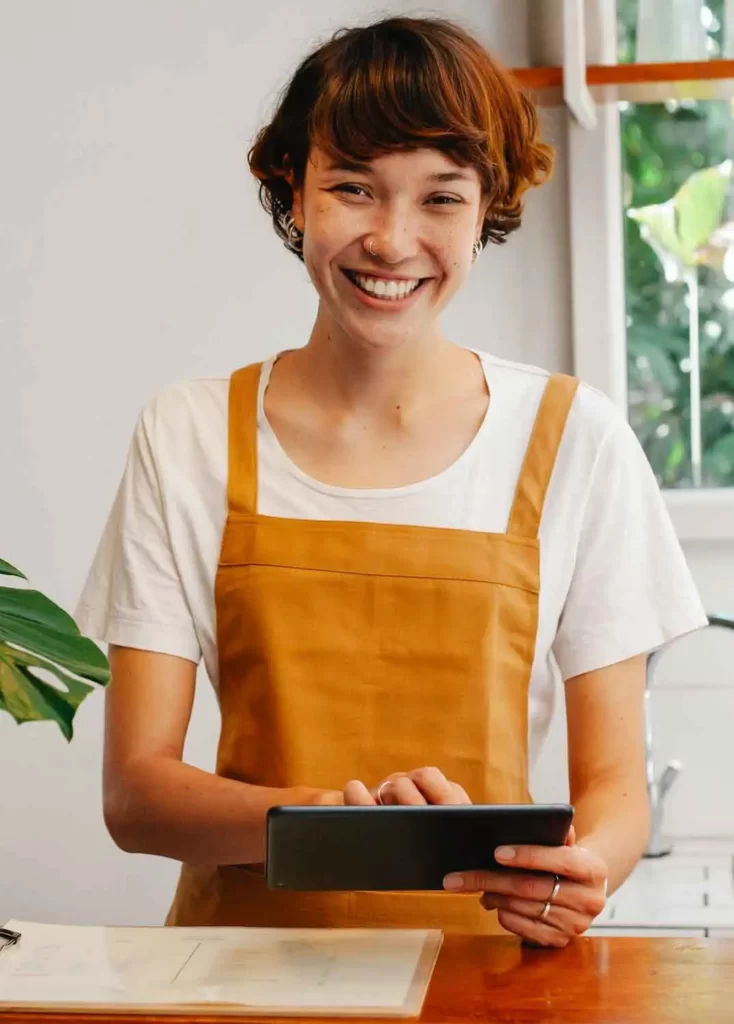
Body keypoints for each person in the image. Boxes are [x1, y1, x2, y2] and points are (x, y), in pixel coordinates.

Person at [74, 15, 708, 947]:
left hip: (485, 980)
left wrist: (586, 870)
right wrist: (341, 825)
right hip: (237, 981)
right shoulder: (191, 434)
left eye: (440, 198)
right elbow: (136, 795)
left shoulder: (576, 440)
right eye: (352, 188)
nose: (391, 239)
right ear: (294, 189)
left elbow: (613, 792)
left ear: (488, 204)